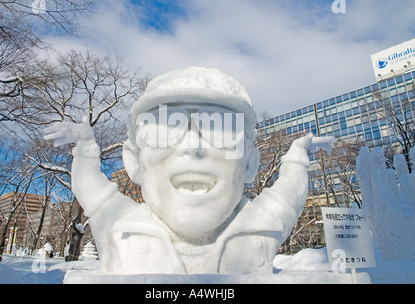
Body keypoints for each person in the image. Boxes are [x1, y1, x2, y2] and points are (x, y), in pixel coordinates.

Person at [45, 67, 335, 274]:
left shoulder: (259, 223)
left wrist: (296, 157)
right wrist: (84, 149)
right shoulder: (121, 224)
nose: (193, 148)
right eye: (166, 129)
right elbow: (92, 190)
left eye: (221, 129)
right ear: (134, 161)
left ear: (249, 164)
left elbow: (287, 198)